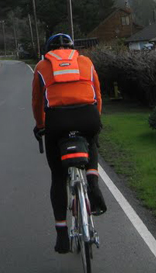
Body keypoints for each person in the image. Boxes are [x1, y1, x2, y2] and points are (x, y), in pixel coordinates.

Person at [31, 33, 107, 254]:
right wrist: (96, 120)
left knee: (58, 176)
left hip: (57, 120)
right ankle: (93, 183)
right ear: (73, 48)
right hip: (88, 115)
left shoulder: (42, 66)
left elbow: (37, 101)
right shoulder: (86, 62)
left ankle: (62, 234)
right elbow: (98, 94)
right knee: (91, 141)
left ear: (48, 50)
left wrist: (40, 125)